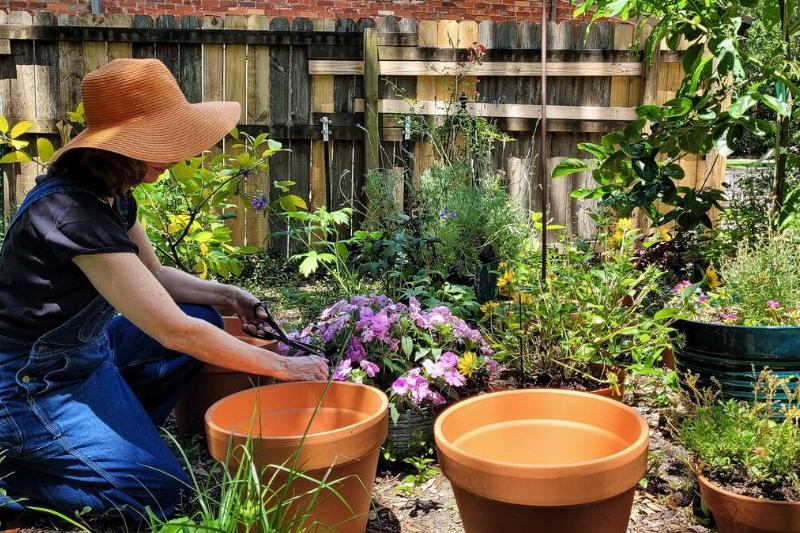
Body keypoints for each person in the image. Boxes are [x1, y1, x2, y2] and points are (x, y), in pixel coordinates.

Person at [0, 59, 328, 521]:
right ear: (118, 150)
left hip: (84, 356)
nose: (174, 159)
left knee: (206, 316)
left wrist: (229, 296)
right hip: (32, 383)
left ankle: (113, 443)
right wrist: (282, 366)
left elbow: (154, 276)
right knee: (154, 495)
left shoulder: (110, 194)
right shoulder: (70, 215)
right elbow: (177, 333)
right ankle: (15, 482)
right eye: (162, 146)